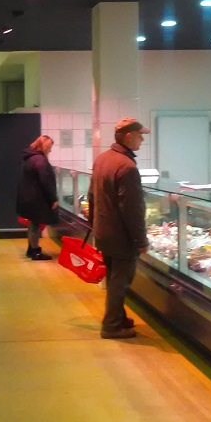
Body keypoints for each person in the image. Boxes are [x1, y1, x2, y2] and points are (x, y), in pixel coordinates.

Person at [88, 118, 150, 339]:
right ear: (128, 136)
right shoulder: (127, 167)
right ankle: (111, 326)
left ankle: (119, 317)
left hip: (104, 232)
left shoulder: (102, 159)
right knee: (120, 283)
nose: (142, 139)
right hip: (121, 237)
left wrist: (94, 225)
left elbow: (92, 196)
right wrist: (140, 240)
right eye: (140, 135)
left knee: (114, 277)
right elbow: (132, 209)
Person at [16, 135, 58, 260]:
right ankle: (35, 252)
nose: (50, 150)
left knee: (33, 224)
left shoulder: (31, 157)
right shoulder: (40, 160)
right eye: (49, 147)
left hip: (28, 196)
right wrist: (53, 199)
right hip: (36, 198)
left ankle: (31, 249)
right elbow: (46, 181)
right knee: (35, 224)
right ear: (44, 146)